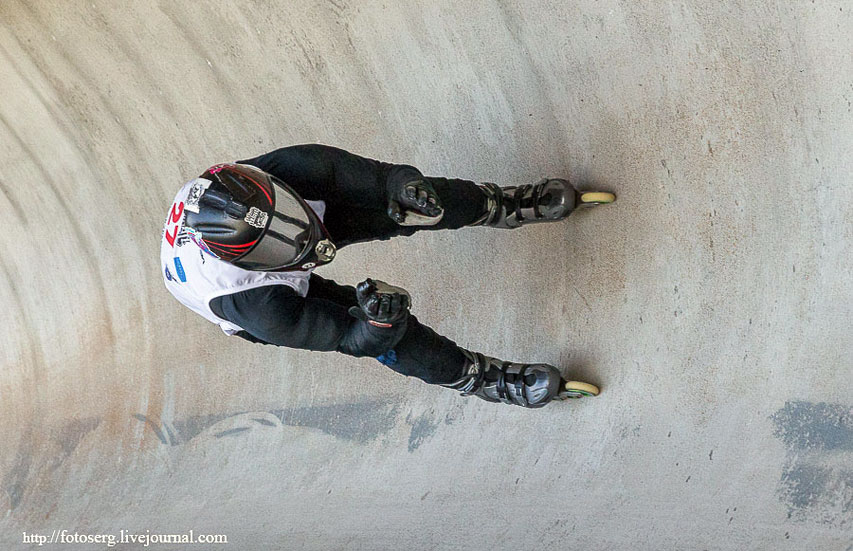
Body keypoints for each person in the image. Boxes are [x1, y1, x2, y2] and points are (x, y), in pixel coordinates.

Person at [160, 144, 613, 408]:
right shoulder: (256, 305)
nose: (300, 240)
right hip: (260, 291)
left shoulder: (270, 174)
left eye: (286, 212)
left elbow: (367, 176)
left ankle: (502, 204)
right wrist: (378, 326)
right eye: (276, 244)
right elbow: (350, 340)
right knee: (386, 332)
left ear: (271, 186)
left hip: (273, 224)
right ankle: (479, 378)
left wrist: (401, 184)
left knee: (408, 204)